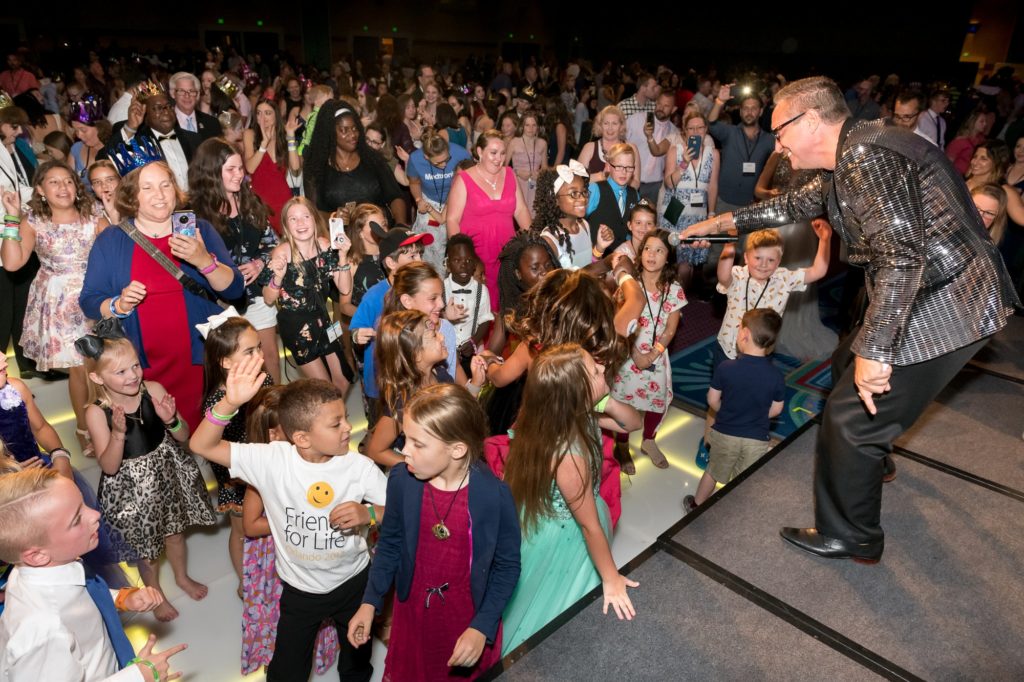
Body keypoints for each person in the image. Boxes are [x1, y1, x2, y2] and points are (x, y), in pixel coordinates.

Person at [681, 76, 1019, 562]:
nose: (778, 144)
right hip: (936, 288)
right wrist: (716, 225)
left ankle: (852, 533)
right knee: (844, 364)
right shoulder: (856, 149)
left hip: (951, 300)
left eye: (781, 131)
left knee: (850, 416)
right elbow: (793, 203)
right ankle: (871, 464)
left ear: (811, 120)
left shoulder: (864, 156)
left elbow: (902, 258)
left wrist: (878, 352)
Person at [189, 369, 388, 682]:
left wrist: (370, 515)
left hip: (353, 582)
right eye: (336, 423)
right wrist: (229, 402)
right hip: (299, 589)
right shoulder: (272, 460)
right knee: (286, 670)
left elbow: (397, 512)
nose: (348, 428)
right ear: (302, 437)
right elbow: (201, 445)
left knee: (356, 661)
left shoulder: (359, 468)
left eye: (346, 418)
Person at [348, 383, 519, 679]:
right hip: (413, 612)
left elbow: (507, 567)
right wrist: (370, 602)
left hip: (466, 618)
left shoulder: (494, 496)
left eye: (418, 443)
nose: (404, 451)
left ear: (457, 449)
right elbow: (390, 545)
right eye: (406, 439)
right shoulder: (402, 480)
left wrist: (482, 626)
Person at [80, 149, 244, 438]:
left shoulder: (199, 229)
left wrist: (204, 260)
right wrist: (117, 304)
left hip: (201, 359)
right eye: (147, 187)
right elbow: (90, 301)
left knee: (217, 437)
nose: (160, 194)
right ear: (131, 195)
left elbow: (234, 288)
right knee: (165, 441)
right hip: (145, 368)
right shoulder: (111, 240)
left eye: (165, 184)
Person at [500, 344, 639, 655]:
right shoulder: (569, 453)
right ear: (576, 393)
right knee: (551, 609)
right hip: (568, 536)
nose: (603, 369)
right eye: (595, 371)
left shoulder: (568, 414)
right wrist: (612, 577)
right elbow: (589, 527)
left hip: (562, 521)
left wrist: (606, 400)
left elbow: (633, 423)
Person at [78, 325, 216, 622]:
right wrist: (117, 433)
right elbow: (109, 467)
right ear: (97, 377)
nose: (132, 376)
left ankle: (181, 576)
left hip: (167, 471)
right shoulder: (95, 412)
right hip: (131, 489)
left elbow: (184, 437)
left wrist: (171, 421)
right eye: (121, 372)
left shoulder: (153, 390)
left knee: (176, 534)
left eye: (135, 366)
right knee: (148, 550)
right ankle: (154, 592)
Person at [0, 468, 186, 682]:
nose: (95, 514)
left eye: (83, 504)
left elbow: (82, 590)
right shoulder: (43, 631)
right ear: (37, 555)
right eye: (76, 519)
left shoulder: (49, 564)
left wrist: (121, 599)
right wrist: (137, 676)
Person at [2, 161, 108, 456]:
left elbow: (115, 251)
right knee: (81, 368)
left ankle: (98, 422)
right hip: (59, 303)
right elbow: (12, 263)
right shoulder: (34, 220)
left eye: (69, 181)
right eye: (54, 182)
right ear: (40, 190)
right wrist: (12, 218)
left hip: (93, 296)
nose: (63, 188)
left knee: (97, 365)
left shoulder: (94, 215)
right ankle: (85, 427)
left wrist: (112, 213)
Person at [239, 386, 340, 676]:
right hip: (276, 558)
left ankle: (318, 651)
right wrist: (292, 517)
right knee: (285, 617)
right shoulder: (264, 472)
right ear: (274, 435)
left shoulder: (313, 459)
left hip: (308, 548)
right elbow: (250, 524)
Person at [189, 137, 281, 382]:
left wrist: (260, 263)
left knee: (268, 357)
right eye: (231, 169)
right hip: (218, 303)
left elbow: (275, 243)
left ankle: (275, 414)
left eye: (241, 168)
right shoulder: (194, 214)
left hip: (257, 293)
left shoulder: (250, 202)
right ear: (211, 172)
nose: (239, 174)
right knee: (233, 369)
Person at [199, 314, 274, 595]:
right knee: (242, 531)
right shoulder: (220, 403)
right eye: (250, 351)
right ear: (226, 362)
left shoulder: (263, 379)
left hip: (269, 470)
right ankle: (246, 582)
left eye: (259, 347)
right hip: (241, 482)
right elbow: (220, 454)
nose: (260, 354)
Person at [684, 308, 785, 512]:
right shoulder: (776, 375)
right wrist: (756, 416)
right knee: (744, 480)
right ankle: (735, 514)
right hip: (756, 438)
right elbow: (776, 409)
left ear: (744, 334)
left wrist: (727, 410)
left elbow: (712, 399)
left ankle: (697, 506)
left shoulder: (726, 368)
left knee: (713, 471)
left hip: (725, 433)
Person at [365, 309, 486, 468]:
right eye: (434, 335)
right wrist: (416, 466)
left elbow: (457, 411)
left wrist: (476, 383)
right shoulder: (404, 403)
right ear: (415, 354)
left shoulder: (440, 373)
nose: (442, 337)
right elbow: (375, 451)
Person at [260, 196, 353, 395]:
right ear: (285, 226)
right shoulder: (281, 253)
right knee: (324, 389)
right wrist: (277, 277)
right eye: (293, 219)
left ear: (314, 219)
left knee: (343, 380)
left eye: (305, 216)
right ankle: (327, 422)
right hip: (297, 327)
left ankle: (330, 420)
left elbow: (344, 289)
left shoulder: (326, 246)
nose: (300, 223)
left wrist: (343, 256)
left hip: (324, 320)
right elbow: (268, 299)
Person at [610, 229, 686, 472]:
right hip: (628, 353)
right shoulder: (629, 286)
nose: (652, 255)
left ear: (668, 257)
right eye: (647, 249)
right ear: (639, 253)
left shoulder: (673, 289)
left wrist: (652, 354)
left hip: (656, 354)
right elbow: (620, 325)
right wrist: (636, 355)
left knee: (657, 401)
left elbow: (671, 328)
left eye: (659, 250)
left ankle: (649, 440)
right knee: (624, 400)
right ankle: (621, 444)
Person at [446, 130, 532, 310]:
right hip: (476, 258)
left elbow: (521, 210)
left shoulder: (509, 174)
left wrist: (533, 243)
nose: (498, 158)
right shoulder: (464, 179)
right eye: (493, 153)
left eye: (502, 153)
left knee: (507, 308)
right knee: (480, 310)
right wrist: (462, 257)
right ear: (479, 152)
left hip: (507, 256)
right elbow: (452, 219)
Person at [309, 105, 408, 225]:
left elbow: (395, 196)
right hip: (341, 239)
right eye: (344, 130)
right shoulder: (320, 168)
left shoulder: (373, 159)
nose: (353, 134)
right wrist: (333, 216)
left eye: (355, 128)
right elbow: (313, 212)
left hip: (377, 234)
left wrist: (400, 225)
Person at [108, 90, 202, 192]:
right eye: (158, 108)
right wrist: (130, 128)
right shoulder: (139, 141)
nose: (166, 111)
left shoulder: (194, 139)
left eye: (168, 106)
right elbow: (107, 156)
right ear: (145, 114)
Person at [407, 127, 471, 273]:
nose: (444, 165)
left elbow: (473, 178)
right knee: (430, 247)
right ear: (426, 157)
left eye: (447, 160)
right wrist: (418, 200)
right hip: (430, 201)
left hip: (457, 198)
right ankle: (435, 279)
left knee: (460, 246)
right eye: (438, 163)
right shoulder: (415, 159)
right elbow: (414, 182)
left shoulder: (461, 153)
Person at [707, 84, 776, 213]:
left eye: (754, 108)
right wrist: (719, 101)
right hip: (723, 202)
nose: (749, 112)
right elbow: (711, 124)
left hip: (751, 205)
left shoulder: (769, 140)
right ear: (740, 111)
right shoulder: (729, 132)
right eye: (745, 108)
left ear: (760, 111)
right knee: (721, 234)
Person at [534, 163, 612, 269]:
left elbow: (589, 266)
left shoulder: (584, 225)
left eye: (584, 192)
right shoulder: (550, 240)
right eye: (573, 194)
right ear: (555, 199)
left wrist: (599, 248)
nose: (583, 199)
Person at [244, 98, 300, 235]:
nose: (262, 117)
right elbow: (250, 168)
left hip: (283, 201)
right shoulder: (250, 134)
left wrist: (291, 136)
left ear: (276, 115)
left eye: (267, 113)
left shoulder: (283, 138)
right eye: (258, 113)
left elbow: (295, 167)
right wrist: (263, 144)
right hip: (260, 205)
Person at [444, 235, 494, 373]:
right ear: (448, 265)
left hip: (471, 353)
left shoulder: (481, 291)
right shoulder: (441, 289)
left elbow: (485, 320)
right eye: (457, 260)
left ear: (474, 264)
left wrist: (473, 341)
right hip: (445, 352)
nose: (463, 265)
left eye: (468, 260)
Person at [585, 142, 641, 253]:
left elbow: (633, 230)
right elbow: (580, 222)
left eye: (629, 167)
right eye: (619, 167)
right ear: (609, 166)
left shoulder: (634, 194)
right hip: (596, 257)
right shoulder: (595, 189)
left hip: (623, 257)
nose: (624, 172)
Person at [625, 90, 677, 205]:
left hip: (655, 185)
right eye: (659, 104)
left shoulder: (675, 132)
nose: (660, 108)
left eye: (666, 106)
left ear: (673, 110)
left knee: (650, 219)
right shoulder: (636, 119)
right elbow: (621, 143)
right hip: (630, 180)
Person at [576, 105, 640, 186]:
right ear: (600, 125)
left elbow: (636, 183)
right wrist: (600, 176)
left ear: (621, 126)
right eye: (606, 123)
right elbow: (576, 179)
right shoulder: (589, 148)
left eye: (614, 123)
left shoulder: (632, 148)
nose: (610, 128)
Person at [507, 111, 548, 213]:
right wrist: (517, 172)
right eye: (527, 125)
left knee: (534, 219)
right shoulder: (514, 142)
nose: (531, 128)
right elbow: (503, 167)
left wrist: (540, 174)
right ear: (522, 126)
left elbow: (545, 167)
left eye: (534, 125)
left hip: (536, 185)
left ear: (538, 127)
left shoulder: (542, 143)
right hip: (518, 185)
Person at [169, 72, 220, 140]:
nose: (187, 96)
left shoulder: (212, 123)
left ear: (197, 95)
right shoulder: (167, 123)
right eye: (181, 91)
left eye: (191, 91)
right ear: (172, 93)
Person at [946, 109, 991, 176]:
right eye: (982, 121)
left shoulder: (982, 141)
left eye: (985, 121)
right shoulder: (961, 141)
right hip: (954, 176)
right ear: (973, 122)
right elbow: (947, 162)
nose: (985, 124)